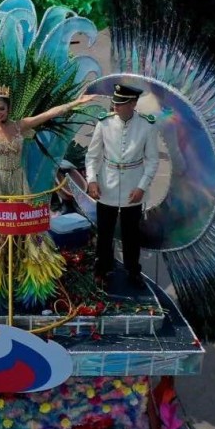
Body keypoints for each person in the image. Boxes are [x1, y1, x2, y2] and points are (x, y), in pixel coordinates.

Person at [85, 84, 162, 287]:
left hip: (133, 185)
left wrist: (142, 187)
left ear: (133, 103)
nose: (115, 107)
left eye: (120, 103)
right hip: (107, 184)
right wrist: (92, 179)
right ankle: (102, 270)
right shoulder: (105, 123)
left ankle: (133, 270)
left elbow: (153, 160)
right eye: (115, 102)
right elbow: (92, 156)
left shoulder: (147, 125)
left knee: (131, 233)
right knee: (105, 232)